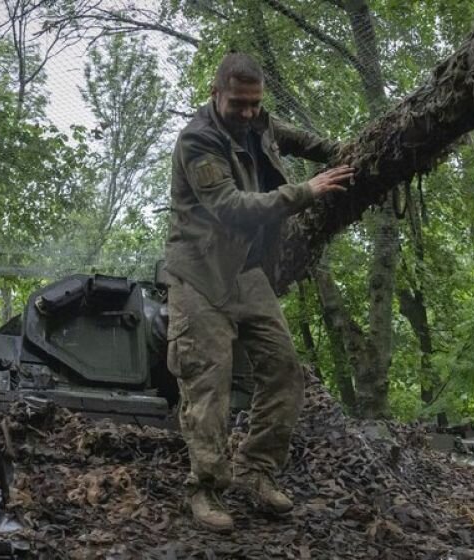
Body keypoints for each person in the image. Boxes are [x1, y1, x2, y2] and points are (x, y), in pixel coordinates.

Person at [164, 52, 354, 533]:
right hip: (200, 277)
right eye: (239, 104)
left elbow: (297, 139)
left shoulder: (259, 121)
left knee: (285, 372)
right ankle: (205, 489)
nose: (248, 113)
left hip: (246, 273)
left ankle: (255, 470)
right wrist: (307, 191)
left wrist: (345, 151)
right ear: (216, 94)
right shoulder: (198, 140)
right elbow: (233, 208)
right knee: (209, 385)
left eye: (254, 104)